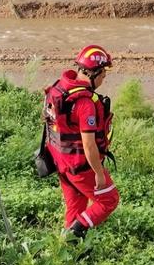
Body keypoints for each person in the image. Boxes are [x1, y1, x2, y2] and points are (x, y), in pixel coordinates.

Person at [44, 45, 120, 238]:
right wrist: (99, 173)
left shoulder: (59, 88)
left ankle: (67, 250)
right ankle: (76, 235)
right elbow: (89, 144)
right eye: (103, 75)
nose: (104, 79)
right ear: (95, 73)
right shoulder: (85, 103)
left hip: (61, 162)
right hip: (80, 166)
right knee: (109, 200)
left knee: (75, 206)